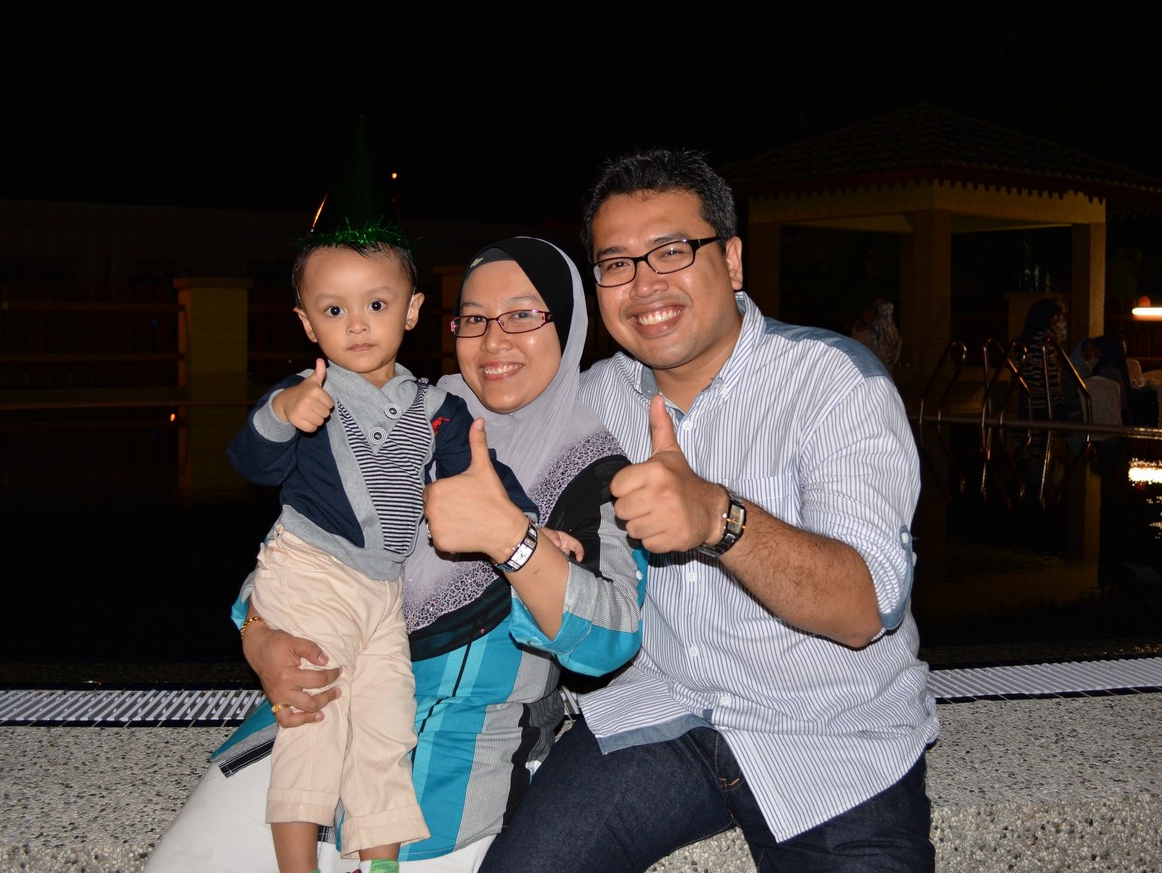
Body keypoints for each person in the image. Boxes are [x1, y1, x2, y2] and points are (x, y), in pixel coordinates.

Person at [479, 149, 939, 872]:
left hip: (832, 734)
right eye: (617, 264)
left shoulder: (834, 384)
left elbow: (865, 609)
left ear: (731, 261)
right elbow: (436, 457)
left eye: (671, 251)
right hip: (659, 714)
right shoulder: (590, 403)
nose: (644, 285)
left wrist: (721, 520)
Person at [145, 236, 647, 872]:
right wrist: (259, 636)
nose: (493, 341)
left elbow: (610, 641)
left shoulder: (594, 470)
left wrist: (514, 541)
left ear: (567, 326)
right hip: (308, 714)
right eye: (474, 318)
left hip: (452, 758)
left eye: (523, 315)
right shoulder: (413, 413)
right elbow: (304, 542)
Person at [226, 223, 538, 873]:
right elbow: (251, 461)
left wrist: (533, 526)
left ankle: (382, 866)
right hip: (310, 571)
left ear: (413, 310)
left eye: (376, 303)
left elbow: (482, 478)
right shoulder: (307, 393)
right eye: (334, 310)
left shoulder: (436, 407)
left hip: (381, 591)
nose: (358, 324)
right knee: (315, 717)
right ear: (307, 323)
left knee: (388, 727)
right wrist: (281, 413)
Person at [1018, 297, 1071, 420]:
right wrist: (1033, 387)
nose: (1058, 319)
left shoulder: (1027, 338)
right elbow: (1038, 366)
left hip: (1033, 398)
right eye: (1056, 315)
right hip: (1045, 398)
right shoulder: (1044, 337)